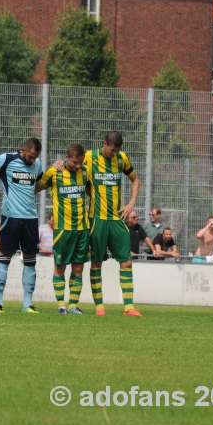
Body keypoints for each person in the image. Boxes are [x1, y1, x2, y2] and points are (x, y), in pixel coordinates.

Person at [83, 131, 143, 317]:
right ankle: (99, 307)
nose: (114, 154)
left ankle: (128, 307)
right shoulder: (89, 157)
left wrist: (132, 202)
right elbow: (73, 169)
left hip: (117, 219)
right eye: (112, 150)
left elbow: (135, 180)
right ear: (104, 144)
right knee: (96, 263)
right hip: (97, 220)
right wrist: (59, 165)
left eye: (117, 151)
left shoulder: (122, 158)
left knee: (126, 262)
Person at [0, 137, 44, 314]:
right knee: (5, 256)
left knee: (30, 260)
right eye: (30, 156)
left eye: (35, 157)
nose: (32, 160)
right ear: (22, 150)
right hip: (10, 217)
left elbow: (39, 184)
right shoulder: (6, 159)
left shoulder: (37, 165)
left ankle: (27, 304)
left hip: (30, 218)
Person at [36, 143, 90, 314]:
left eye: (80, 162)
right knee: (60, 266)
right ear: (67, 158)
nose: (78, 165)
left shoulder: (85, 172)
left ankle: (73, 305)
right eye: (75, 162)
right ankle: (61, 305)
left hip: (82, 229)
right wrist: (48, 169)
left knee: (79, 268)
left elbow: (90, 191)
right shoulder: (55, 172)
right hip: (62, 230)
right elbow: (37, 187)